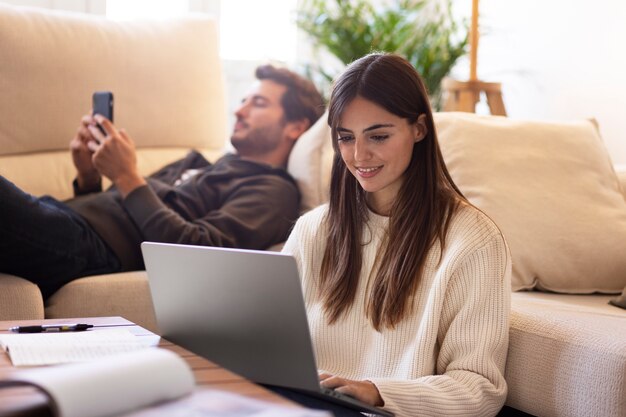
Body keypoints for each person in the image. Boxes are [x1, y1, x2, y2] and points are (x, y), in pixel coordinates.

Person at [282, 53, 511, 417]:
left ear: (419, 129)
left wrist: (377, 392)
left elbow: (478, 388)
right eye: (345, 137)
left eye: (379, 135)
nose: (359, 155)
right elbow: (269, 345)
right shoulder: (314, 229)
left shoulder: (472, 240)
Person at [0, 64, 324, 299]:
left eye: (258, 103)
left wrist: (127, 176)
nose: (239, 111)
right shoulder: (202, 164)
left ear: (295, 126)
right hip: (62, 219)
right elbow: (123, 206)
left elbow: (198, 253)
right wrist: (88, 176)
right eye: (242, 101)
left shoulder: (273, 190)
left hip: (85, 245)